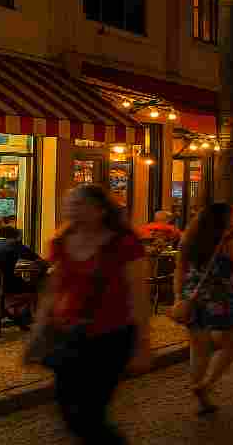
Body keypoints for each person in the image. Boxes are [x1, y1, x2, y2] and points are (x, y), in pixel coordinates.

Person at [26, 185, 151, 444]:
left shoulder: (125, 243)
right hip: (70, 334)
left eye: (78, 204)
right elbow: (53, 289)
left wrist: (142, 344)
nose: (70, 209)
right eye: (68, 204)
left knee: (91, 412)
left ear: (100, 209)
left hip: (112, 336)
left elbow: (139, 296)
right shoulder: (60, 241)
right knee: (67, 408)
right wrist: (38, 331)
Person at [175, 202, 233, 415]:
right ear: (224, 220)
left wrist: (178, 297)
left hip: (193, 296)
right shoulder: (229, 242)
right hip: (220, 296)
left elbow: (179, 270)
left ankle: (200, 396)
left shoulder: (188, 239)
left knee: (198, 348)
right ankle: (207, 384)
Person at [0, 226, 43, 329]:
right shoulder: (14, 244)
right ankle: (30, 320)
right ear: (16, 237)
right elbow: (39, 260)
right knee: (34, 289)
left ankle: (5, 313)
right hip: (2, 285)